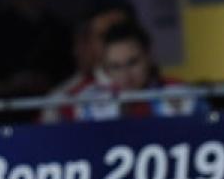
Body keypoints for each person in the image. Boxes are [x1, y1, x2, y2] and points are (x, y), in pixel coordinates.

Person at [72, 21, 204, 120]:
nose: (125, 75)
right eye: (116, 67)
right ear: (106, 68)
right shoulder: (91, 103)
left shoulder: (182, 94)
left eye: (132, 62)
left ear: (149, 56)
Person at [40, 3, 136, 123]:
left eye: (123, 32)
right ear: (89, 43)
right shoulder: (64, 100)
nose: (116, 41)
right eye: (104, 35)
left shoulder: (164, 90)